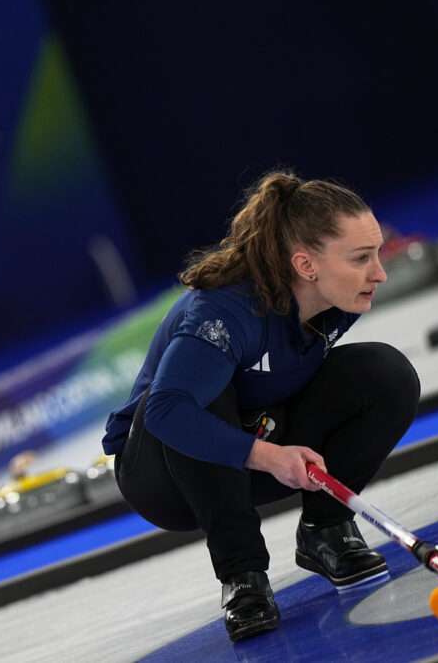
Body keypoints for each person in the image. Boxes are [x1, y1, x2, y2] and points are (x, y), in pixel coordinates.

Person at [103, 170, 420, 643]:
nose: (379, 272)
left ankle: (326, 532)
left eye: (375, 254)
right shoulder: (227, 310)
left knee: (385, 373)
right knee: (204, 393)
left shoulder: (342, 299)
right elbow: (167, 409)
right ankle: (242, 575)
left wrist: (272, 446)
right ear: (305, 265)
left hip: (256, 433)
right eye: (361, 258)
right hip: (163, 474)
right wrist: (271, 456)